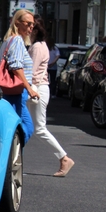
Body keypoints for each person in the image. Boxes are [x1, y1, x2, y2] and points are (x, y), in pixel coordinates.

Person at [27, 17, 75, 177]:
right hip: (40, 88)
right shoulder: (42, 46)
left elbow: (31, 72)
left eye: (29, 28)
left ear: (34, 31)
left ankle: (64, 158)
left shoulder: (37, 47)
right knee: (28, 125)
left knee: (38, 128)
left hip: (37, 89)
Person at [0, 9, 38, 144]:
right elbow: (16, 66)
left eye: (33, 25)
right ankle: (10, 158)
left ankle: (11, 158)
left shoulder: (8, 41)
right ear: (17, 23)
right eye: (28, 24)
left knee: (17, 128)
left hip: (12, 91)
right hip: (16, 90)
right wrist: (29, 88)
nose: (31, 27)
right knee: (26, 128)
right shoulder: (17, 40)